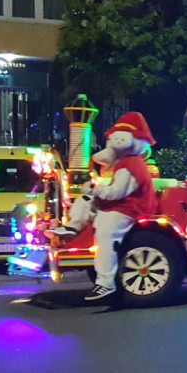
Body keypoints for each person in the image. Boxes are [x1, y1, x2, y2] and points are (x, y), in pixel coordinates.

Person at [79, 112, 158, 302]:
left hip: (130, 209)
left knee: (106, 232)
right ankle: (71, 228)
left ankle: (106, 283)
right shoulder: (127, 163)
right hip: (123, 206)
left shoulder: (130, 165)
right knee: (86, 203)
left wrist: (96, 190)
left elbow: (116, 193)